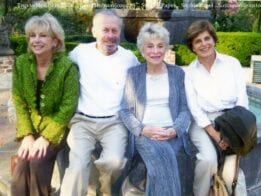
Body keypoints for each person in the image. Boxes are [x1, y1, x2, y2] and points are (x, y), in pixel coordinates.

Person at [59, 10, 139, 196]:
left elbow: (142, 85)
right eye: (105, 30)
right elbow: (59, 72)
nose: (110, 36)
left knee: (115, 162)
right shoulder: (80, 53)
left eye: (114, 31)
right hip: (82, 121)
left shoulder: (129, 58)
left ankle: (102, 189)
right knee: (78, 166)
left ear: (120, 32)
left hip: (115, 122)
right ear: (93, 31)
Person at [10, 13, 80, 196]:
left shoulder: (67, 68)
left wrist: (46, 138)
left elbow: (68, 107)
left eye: (43, 35)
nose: (36, 40)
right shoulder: (21, 64)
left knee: (37, 162)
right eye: (32, 35)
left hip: (57, 128)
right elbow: (19, 101)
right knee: (21, 167)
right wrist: (26, 135)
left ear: (55, 41)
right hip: (31, 128)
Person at [119, 23, 191, 196]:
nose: (155, 51)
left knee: (159, 167)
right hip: (145, 132)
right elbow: (125, 110)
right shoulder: (133, 74)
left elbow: (184, 110)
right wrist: (143, 129)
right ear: (142, 50)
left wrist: (174, 130)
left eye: (160, 46)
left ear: (166, 48)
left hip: (171, 131)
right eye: (150, 46)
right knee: (165, 158)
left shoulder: (177, 73)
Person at [184, 20, 248, 196]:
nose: (204, 44)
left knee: (231, 174)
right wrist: (215, 134)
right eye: (198, 41)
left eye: (207, 38)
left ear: (213, 39)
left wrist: (235, 130)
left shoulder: (232, 64)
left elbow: (242, 98)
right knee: (207, 160)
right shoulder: (189, 72)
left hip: (232, 121)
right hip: (203, 123)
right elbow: (194, 108)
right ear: (192, 47)